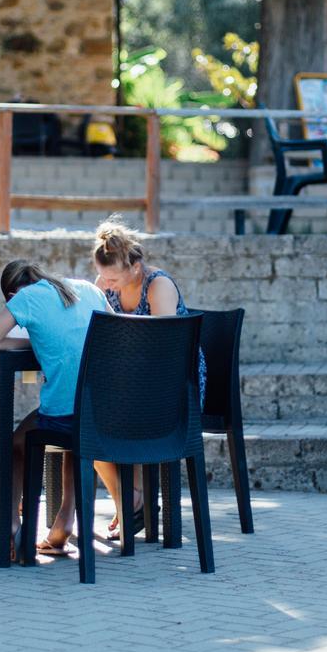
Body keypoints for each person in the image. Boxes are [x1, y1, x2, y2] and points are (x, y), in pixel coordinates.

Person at [0, 260, 110, 557]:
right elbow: (118, 335)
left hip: (67, 414)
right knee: (78, 439)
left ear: (10, 296)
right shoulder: (87, 289)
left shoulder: (25, 299)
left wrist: (18, 340)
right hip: (108, 409)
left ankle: (10, 528)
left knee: (14, 444)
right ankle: (63, 522)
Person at [91, 216, 206, 540]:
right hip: (130, 381)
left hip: (172, 384)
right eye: (103, 277)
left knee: (115, 414)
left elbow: (166, 354)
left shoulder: (158, 286)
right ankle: (130, 499)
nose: (107, 285)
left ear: (135, 266)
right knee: (83, 419)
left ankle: (135, 499)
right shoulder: (105, 287)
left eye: (112, 278)